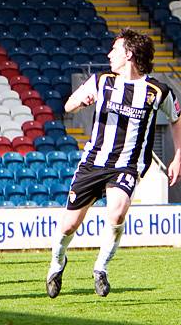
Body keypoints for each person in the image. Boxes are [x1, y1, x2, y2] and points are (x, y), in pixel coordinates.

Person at [46, 28, 181, 298]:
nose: (109, 54)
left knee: (117, 212)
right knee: (69, 225)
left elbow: (177, 119)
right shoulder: (101, 81)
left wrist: (178, 156)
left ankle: (101, 268)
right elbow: (68, 106)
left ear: (128, 54)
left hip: (127, 166)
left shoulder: (158, 91)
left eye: (115, 49)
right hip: (93, 163)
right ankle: (57, 263)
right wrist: (80, 102)